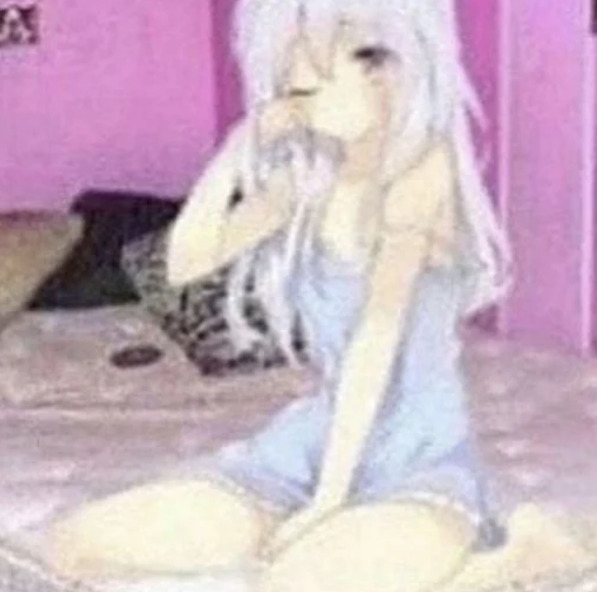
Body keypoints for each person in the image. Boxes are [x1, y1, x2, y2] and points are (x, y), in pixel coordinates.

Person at [44, 1, 513, 590]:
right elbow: (183, 264)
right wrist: (237, 150)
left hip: (415, 451)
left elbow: (376, 341)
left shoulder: (424, 172)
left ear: (384, 72)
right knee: (77, 546)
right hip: (311, 441)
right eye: (289, 94)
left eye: (308, 91)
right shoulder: (305, 185)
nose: (291, 107)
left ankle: (516, 556)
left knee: (299, 582)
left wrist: (329, 500)